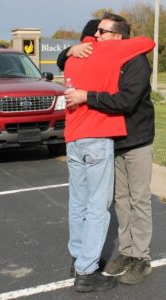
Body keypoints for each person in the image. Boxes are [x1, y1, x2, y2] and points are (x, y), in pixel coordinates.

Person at [58, 12, 155, 286]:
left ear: (118, 36)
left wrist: (87, 96)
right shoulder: (101, 56)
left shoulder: (135, 61)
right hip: (112, 140)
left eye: (102, 31)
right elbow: (63, 60)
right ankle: (126, 251)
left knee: (139, 200)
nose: (96, 36)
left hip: (137, 139)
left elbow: (125, 101)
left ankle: (142, 258)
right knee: (121, 201)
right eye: (96, 32)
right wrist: (69, 50)